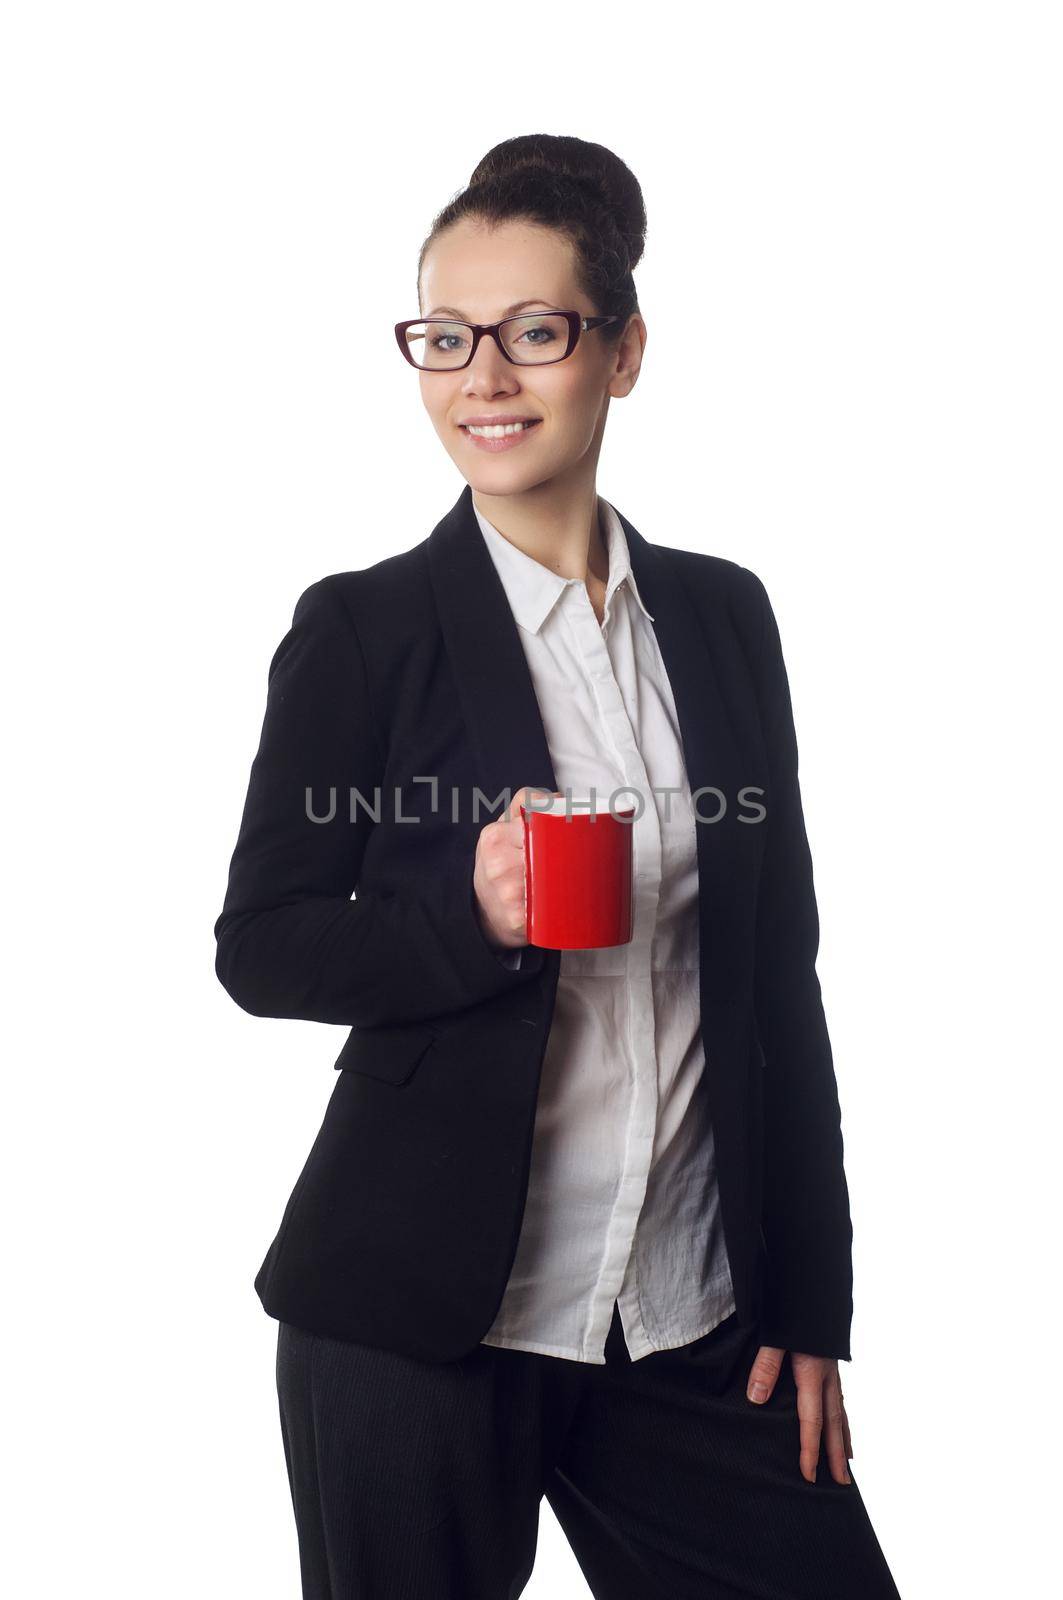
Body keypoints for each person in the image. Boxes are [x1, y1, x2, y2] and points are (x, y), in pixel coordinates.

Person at [214, 133, 902, 1599]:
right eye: (446, 337)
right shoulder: (365, 630)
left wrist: (811, 1295)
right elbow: (263, 943)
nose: (485, 379)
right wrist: (467, 916)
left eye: (534, 332)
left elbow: (782, 982)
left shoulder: (723, 619)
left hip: (692, 1321)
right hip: (419, 1323)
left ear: (622, 350)